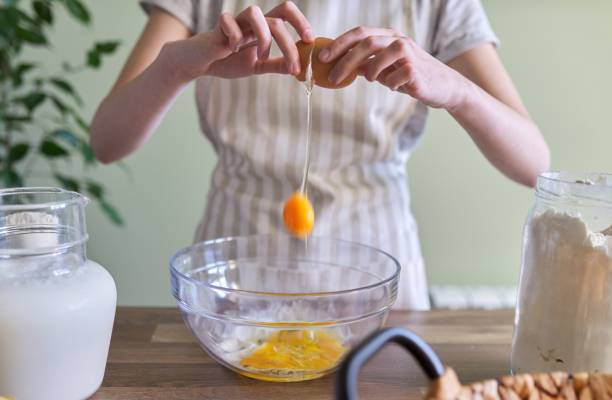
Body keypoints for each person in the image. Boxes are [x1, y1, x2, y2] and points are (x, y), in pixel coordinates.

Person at [91, 0, 549, 310]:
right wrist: (177, 66)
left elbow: (535, 164)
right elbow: (107, 142)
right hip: (235, 287)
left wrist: (456, 89)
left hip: (380, 288)